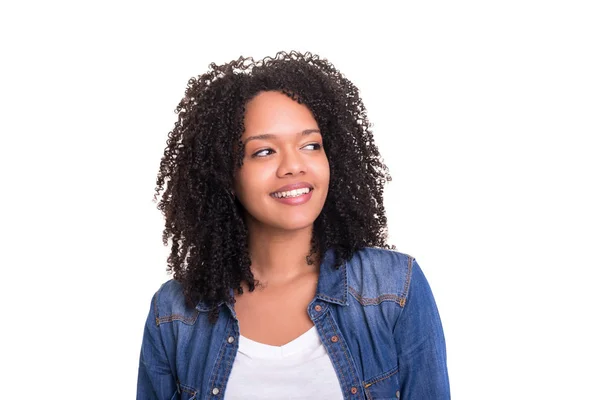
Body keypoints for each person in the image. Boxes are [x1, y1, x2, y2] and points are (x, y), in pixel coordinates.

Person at [137, 51, 450, 399]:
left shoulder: (393, 289)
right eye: (264, 152)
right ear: (224, 173)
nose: (293, 166)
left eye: (311, 145)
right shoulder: (175, 313)